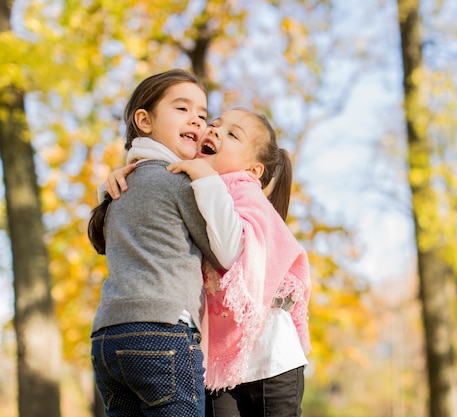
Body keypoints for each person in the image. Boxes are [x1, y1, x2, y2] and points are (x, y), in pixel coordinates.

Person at [106, 108, 312, 417]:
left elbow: (237, 251)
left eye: (231, 134)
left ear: (254, 170)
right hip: (217, 363)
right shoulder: (190, 187)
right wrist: (122, 178)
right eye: (213, 125)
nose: (214, 131)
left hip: (269, 358)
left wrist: (206, 181)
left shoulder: (246, 195)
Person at [87, 69, 223, 417]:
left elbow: (101, 236)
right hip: (162, 333)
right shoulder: (181, 182)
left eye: (203, 115)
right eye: (182, 109)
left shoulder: (118, 189)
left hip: (106, 338)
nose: (196, 119)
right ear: (144, 121)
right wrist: (212, 185)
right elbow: (223, 251)